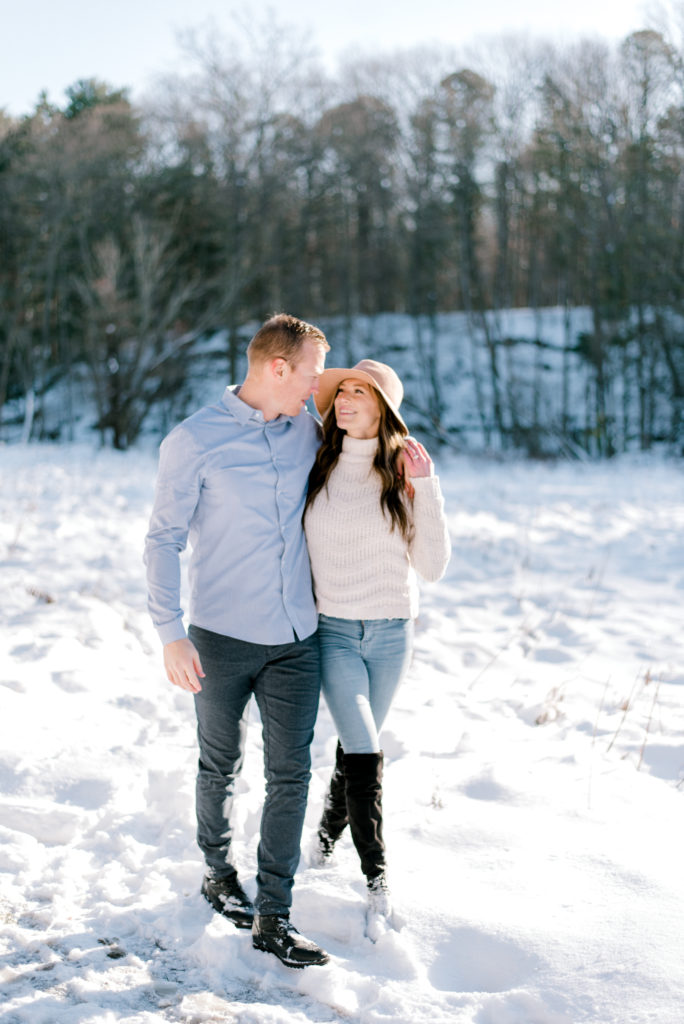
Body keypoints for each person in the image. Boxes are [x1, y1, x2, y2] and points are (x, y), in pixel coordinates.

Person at [144, 313, 332, 969]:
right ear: (277, 368)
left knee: (291, 773)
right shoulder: (193, 440)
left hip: (296, 638)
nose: (317, 386)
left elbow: (356, 400)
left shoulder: (309, 430)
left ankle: (274, 914)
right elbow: (162, 540)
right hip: (219, 639)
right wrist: (170, 634)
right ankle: (218, 872)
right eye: (309, 373)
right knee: (218, 765)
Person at [303, 359, 451, 932]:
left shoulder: (401, 474)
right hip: (333, 632)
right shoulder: (316, 462)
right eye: (340, 390)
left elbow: (432, 568)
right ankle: (377, 878)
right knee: (364, 749)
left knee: (354, 749)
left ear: (383, 406)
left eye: (359, 392)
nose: (343, 399)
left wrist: (427, 488)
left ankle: (324, 837)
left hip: (392, 634)